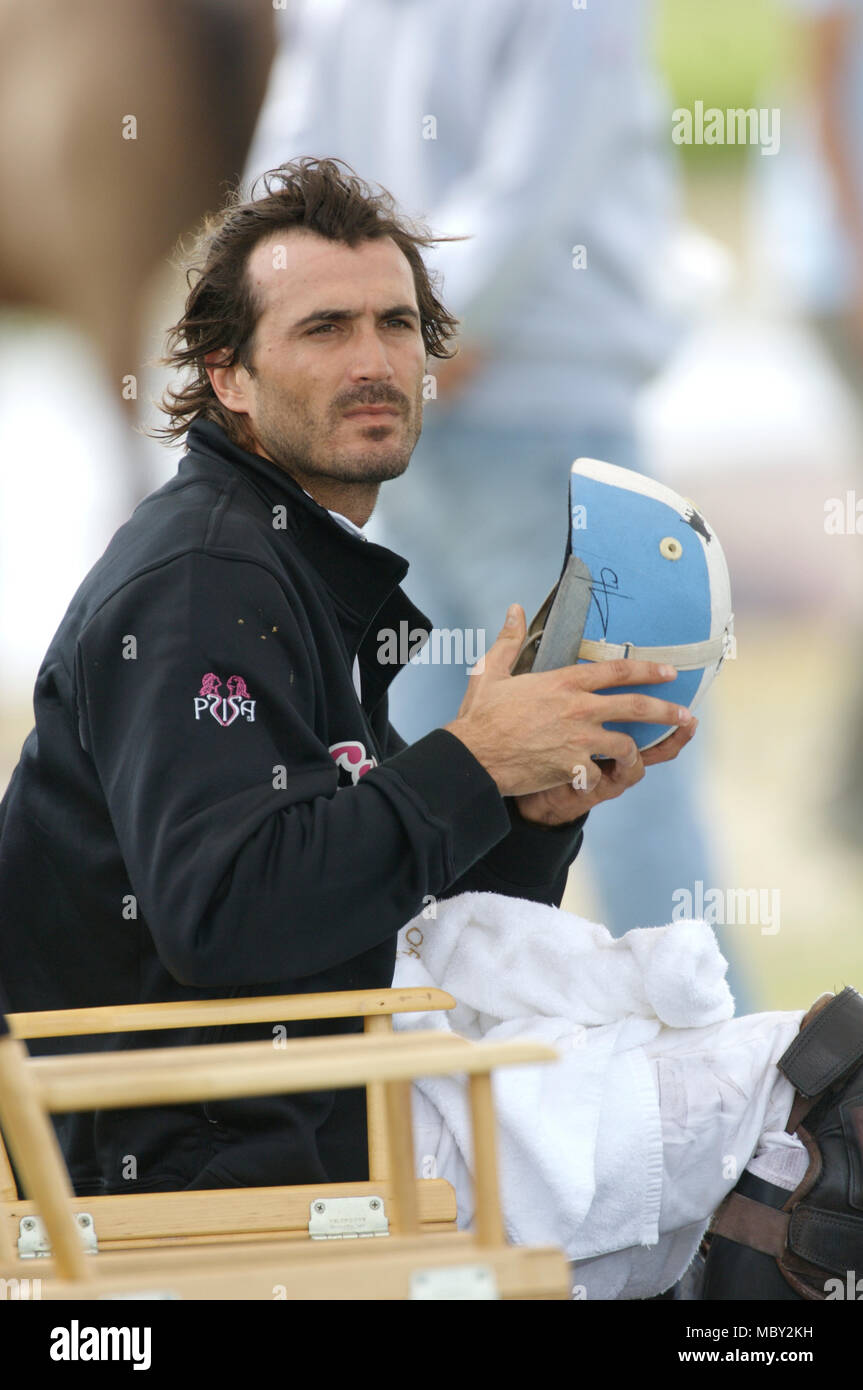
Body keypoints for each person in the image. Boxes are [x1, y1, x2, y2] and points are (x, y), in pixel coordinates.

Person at [0, 159, 695, 1199]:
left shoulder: (288, 564)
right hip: (211, 1169)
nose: (373, 360)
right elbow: (226, 913)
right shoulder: (202, 582)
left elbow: (370, 909)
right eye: (324, 329)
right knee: (806, 1115)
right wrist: (468, 759)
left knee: (780, 1097)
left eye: (397, 325)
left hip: (327, 1103)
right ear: (227, 375)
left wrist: (524, 812)